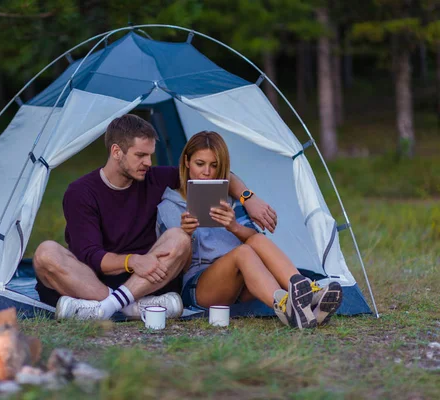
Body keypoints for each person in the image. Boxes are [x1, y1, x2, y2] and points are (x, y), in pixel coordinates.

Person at [33, 114, 279, 320]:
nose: (148, 162)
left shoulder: (152, 177)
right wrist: (132, 261)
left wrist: (249, 198)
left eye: (150, 155)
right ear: (117, 152)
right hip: (94, 279)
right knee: (45, 252)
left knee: (179, 237)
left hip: (148, 278)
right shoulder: (81, 192)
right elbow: (90, 255)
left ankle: (103, 309)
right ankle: (128, 308)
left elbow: (212, 175)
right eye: (141, 155)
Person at [156, 131, 343, 329]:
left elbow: (255, 240)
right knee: (243, 252)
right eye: (200, 164)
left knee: (256, 241)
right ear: (186, 162)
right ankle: (287, 306)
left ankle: (307, 294)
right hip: (201, 286)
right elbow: (176, 269)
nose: (207, 172)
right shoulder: (169, 206)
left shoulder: (230, 199)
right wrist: (187, 234)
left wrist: (233, 227)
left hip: (244, 279)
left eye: (214, 165)